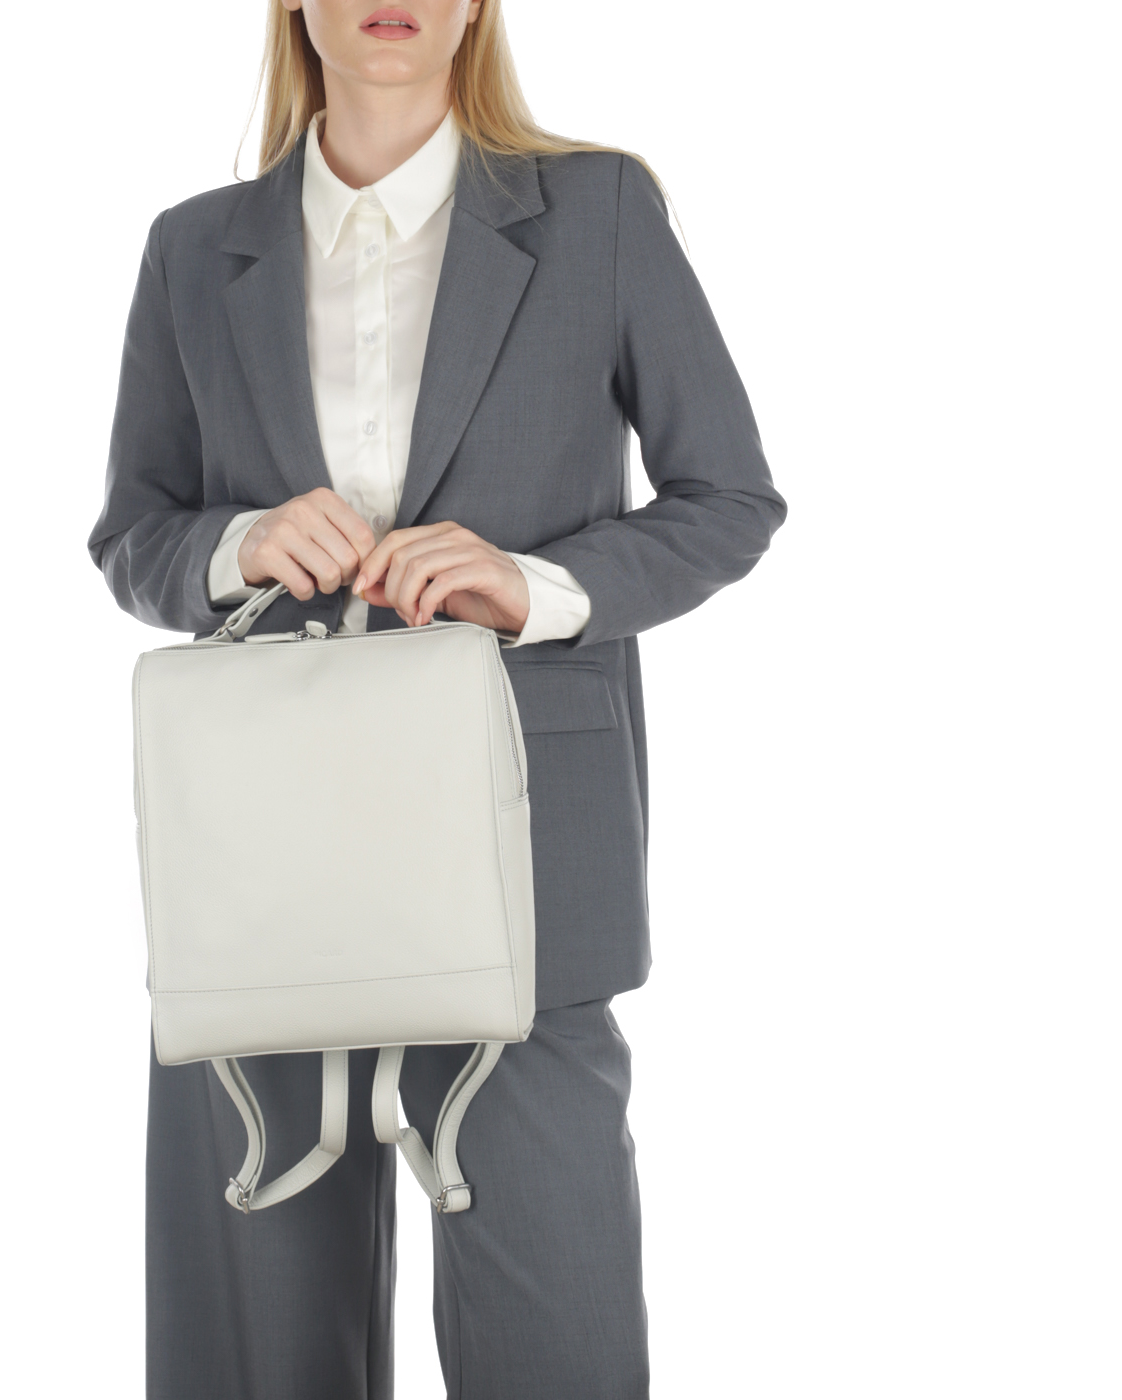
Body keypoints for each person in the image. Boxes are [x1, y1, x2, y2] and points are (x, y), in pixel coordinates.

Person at [88, 2, 786, 1395]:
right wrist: (239, 543)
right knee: (247, 1359)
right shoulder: (192, 247)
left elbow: (729, 500)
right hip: (266, 874)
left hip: (527, 856)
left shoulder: (599, 212)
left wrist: (532, 583)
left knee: (560, 1344)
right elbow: (135, 537)